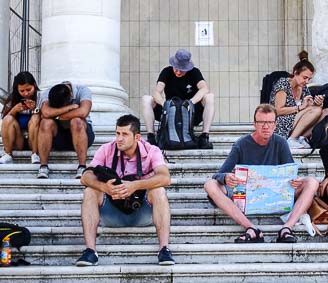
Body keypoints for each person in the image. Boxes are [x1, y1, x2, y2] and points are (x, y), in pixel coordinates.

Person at [204, 104, 319, 243]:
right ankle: (251, 228)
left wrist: (296, 180)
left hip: (275, 192)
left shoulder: (280, 143)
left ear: (275, 125)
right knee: (210, 185)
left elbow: (290, 174)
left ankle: (287, 228)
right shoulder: (241, 144)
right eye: (261, 122)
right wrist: (226, 177)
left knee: (312, 182)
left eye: (270, 122)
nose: (266, 126)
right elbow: (219, 174)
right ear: (255, 124)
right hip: (247, 195)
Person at [75, 114, 174, 266]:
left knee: (159, 190)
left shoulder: (152, 150)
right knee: (90, 191)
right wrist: (104, 187)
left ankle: (164, 249)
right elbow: (85, 176)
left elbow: (165, 177)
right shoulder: (106, 149)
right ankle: (90, 251)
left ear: (137, 137)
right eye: (117, 133)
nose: (119, 139)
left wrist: (135, 185)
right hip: (111, 212)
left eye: (125, 134)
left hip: (142, 213)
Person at [141, 49, 214, 149]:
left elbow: (204, 88)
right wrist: (164, 104)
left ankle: (204, 137)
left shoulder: (194, 72)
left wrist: (191, 102)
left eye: (182, 69)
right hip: (170, 114)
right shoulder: (166, 71)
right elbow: (156, 91)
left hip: (190, 114)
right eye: (176, 68)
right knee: (146, 99)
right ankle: (151, 137)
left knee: (209, 97)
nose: (178, 72)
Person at [37, 82, 95, 179]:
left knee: (76, 121)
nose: (62, 109)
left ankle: (82, 166)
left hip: (82, 133)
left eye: (64, 106)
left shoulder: (82, 90)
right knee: (45, 123)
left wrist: (56, 115)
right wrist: (69, 108)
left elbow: (83, 112)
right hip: (59, 135)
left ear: (71, 96)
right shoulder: (48, 92)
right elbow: (46, 112)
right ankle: (43, 166)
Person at [269, 50, 324, 149]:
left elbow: (309, 109)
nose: (306, 81)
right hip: (280, 123)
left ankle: (301, 137)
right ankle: (292, 139)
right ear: (295, 73)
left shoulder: (303, 87)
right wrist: (300, 107)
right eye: (304, 77)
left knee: (325, 112)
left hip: (296, 122)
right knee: (317, 110)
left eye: (309, 79)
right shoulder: (283, 83)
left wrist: (316, 103)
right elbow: (277, 111)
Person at [0, 72, 41, 164]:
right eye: (22, 91)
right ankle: (8, 154)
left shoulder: (41, 97)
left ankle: (35, 154)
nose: (26, 93)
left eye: (29, 89)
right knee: (8, 118)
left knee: (35, 117)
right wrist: (14, 110)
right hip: (18, 140)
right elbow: (4, 119)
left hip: (36, 139)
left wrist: (35, 109)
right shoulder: (13, 98)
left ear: (34, 85)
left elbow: (47, 118)